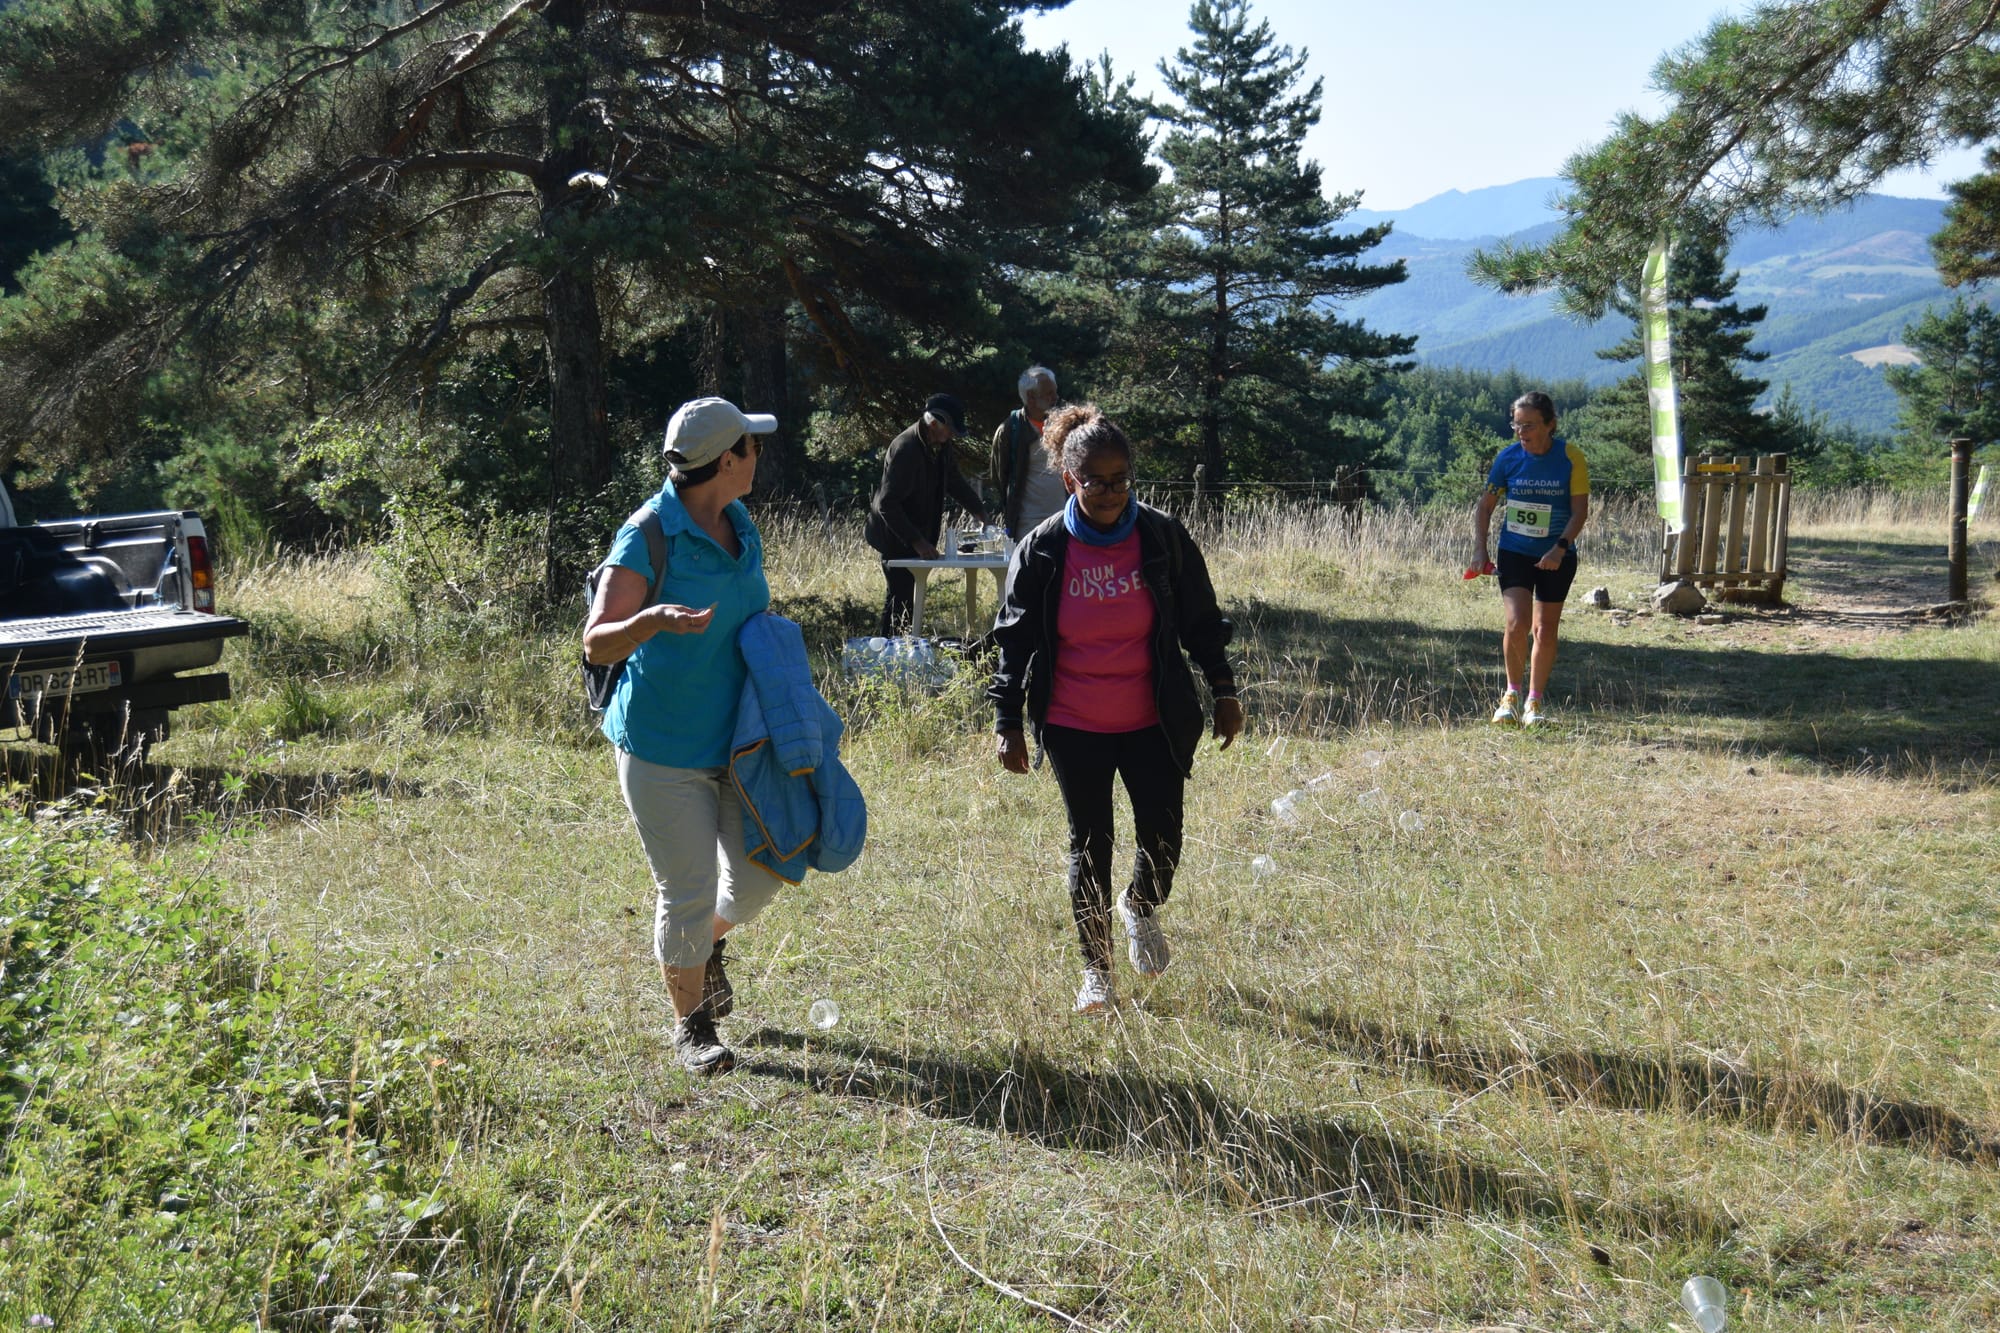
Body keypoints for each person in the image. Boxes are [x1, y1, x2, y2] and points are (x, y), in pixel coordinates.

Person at [988, 405, 1244, 1015]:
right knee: (1089, 843)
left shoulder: (1161, 536)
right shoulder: (1043, 549)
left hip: (1152, 718)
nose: (1110, 492)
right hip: (1074, 721)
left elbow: (1200, 621)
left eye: (1121, 478)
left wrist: (1224, 689)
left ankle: (1140, 904)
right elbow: (1014, 639)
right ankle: (1096, 972)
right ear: (1070, 480)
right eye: (1096, 481)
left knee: (1163, 839)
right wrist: (1006, 721)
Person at [583, 396, 784, 1076]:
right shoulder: (647, 534)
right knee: (688, 888)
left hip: (739, 742)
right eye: (751, 446)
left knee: (759, 876)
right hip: (661, 747)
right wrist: (654, 619)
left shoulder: (739, 518)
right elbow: (596, 642)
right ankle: (692, 1026)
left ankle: (703, 949)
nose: (759, 454)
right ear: (728, 461)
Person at [1471, 391, 1590, 728]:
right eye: (1517, 424)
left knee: (1545, 629)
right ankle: (1510, 695)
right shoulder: (1508, 458)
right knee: (1516, 622)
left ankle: (1534, 703)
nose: (1521, 431)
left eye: (1529, 425)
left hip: (1557, 555)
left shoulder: (1571, 457)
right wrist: (1480, 549)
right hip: (1515, 551)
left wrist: (1560, 547)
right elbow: (1485, 506)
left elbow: (1580, 510)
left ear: (1550, 425)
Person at [864, 392, 992, 635]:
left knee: (902, 596)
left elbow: (953, 480)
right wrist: (917, 541)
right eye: (950, 430)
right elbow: (887, 505)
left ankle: (899, 650)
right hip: (894, 535)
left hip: (912, 532)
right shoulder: (906, 449)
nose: (952, 435)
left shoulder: (940, 444)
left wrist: (979, 510)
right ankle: (893, 654)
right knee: (899, 596)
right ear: (934, 423)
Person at [989, 365, 1068, 539]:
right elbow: (999, 477)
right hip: (1027, 523)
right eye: (1049, 393)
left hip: (1065, 518)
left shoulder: (1064, 425)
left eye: (1055, 392)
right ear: (1031, 397)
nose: (1055, 397)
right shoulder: (1010, 429)